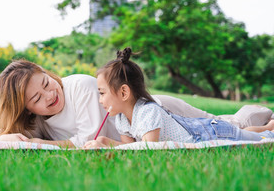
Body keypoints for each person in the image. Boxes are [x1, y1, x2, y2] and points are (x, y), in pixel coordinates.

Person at [0, 58, 273, 148]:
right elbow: (11, 138)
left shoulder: (78, 85)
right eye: (37, 98)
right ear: (26, 108)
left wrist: (42, 144)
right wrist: (15, 138)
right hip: (137, 128)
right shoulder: (37, 121)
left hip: (163, 113)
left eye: (46, 83)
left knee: (226, 125)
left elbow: (90, 137)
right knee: (222, 124)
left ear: (47, 73)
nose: (50, 94)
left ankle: (267, 121)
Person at [83, 48, 274, 149]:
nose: (100, 100)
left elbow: (148, 149)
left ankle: (268, 129)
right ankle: (268, 126)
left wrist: (108, 145)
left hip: (210, 133)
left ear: (124, 93)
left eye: (102, 93)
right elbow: (129, 147)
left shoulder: (148, 112)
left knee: (256, 138)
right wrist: (105, 142)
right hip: (204, 130)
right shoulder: (122, 118)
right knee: (245, 132)